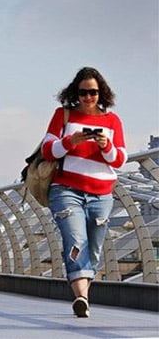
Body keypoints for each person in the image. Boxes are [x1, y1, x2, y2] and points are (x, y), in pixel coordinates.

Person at [43, 67, 126, 318]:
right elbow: (48, 150)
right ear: (74, 93)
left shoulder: (112, 121)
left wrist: (106, 145)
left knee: (95, 248)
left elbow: (119, 159)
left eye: (93, 92)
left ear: (102, 93)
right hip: (67, 189)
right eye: (83, 92)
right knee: (76, 240)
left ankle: (83, 295)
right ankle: (82, 296)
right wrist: (71, 141)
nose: (88, 97)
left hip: (102, 194)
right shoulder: (63, 116)